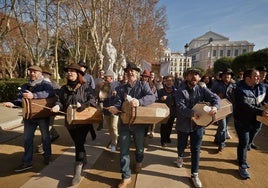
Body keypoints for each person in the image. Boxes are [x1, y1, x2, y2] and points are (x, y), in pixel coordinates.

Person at [107, 62, 155, 188]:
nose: (130, 72)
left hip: (139, 124)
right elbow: (118, 104)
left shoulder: (143, 85)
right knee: (123, 151)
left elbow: (152, 97)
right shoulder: (120, 88)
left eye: (133, 70)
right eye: (128, 71)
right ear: (126, 74)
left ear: (137, 73)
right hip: (124, 123)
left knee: (139, 148)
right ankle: (126, 176)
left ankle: (139, 161)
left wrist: (139, 101)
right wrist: (115, 108)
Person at [51, 63, 97, 185]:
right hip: (69, 121)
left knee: (79, 143)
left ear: (78, 74)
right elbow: (60, 101)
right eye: (68, 71)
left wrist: (84, 105)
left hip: (83, 121)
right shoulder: (63, 88)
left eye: (72, 71)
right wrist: (57, 106)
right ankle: (83, 157)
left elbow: (92, 100)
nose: (69, 73)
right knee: (78, 142)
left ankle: (77, 171)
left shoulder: (85, 86)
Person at [3, 65, 54, 172]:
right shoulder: (25, 86)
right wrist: (12, 103)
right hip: (28, 116)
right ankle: (27, 162)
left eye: (34, 72)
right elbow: (19, 99)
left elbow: (49, 93)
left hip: (42, 116)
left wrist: (34, 95)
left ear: (40, 73)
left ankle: (47, 156)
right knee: (27, 139)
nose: (32, 73)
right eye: (30, 71)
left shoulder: (46, 84)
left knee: (45, 137)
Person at [174, 68, 220, 188]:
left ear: (200, 78)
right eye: (191, 74)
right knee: (181, 145)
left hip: (198, 125)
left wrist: (215, 107)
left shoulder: (202, 89)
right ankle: (180, 156)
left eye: (197, 75)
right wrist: (192, 113)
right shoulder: (180, 90)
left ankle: (195, 174)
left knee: (196, 149)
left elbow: (216, 98)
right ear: (186, 77)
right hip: (183, 124)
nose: (194, 77)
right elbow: (180, 107)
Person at [233, 68, 268, 179]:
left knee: (248, 142)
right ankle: (242, 165)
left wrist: (265, 105)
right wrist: (261, 111)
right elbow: (246, 106)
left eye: (260, 76)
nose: (260, 78)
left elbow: (261, 100)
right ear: (248, 78)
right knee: (244, 142)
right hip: (242, 121)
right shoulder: (239, 89)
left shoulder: (260, 87)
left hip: (256, 121)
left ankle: (241, 158)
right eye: (256, 76)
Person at [36, 68, 61, 154]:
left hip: (51, 109)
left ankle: (43, 146)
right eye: (43, 73)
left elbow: (59, 95)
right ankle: (55, 134)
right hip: (40, 109)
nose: (44, 75)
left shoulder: (54, 84)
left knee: (47, 127)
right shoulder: (38, 83)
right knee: (45, 126)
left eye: (46, 74)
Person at [211, 68, 236, 152]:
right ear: (222, 77)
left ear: (231, 77)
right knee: (223, 126)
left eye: (228, 76)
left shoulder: (234, 85)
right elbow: (211, 94)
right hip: (220, 108)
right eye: (225, 76)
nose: (227, 77)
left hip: (230, 108)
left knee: (223, 126)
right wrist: (217, 96)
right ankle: (222, 143)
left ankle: (216, 139)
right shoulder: (216, 84)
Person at [247, 66, 268, 150]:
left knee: (257, 127)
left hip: (262, 109)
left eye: (265, 73)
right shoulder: (252, 83)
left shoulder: (266, 85)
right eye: (262, 73)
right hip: (251, 109)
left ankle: (250, 141)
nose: (264, 75)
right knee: (248, 127)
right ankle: (247, 143)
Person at [102, 70, 121, 152]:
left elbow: (122, 95)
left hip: (114, 109)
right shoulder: (104, 85)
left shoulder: (118, 85)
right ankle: (113, 140)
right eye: (104, 77)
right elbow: (102, 96)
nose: (105, 78)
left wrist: (117, 93)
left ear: (111, 78)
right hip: (106, 110)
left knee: (113, 126)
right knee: (109, 128)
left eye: (106, 77)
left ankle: (114, 144)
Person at [78, 60, 97, 139]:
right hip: (79, 99)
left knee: (87, 118)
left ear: (85, 68)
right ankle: (83, 137)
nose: (81, 68)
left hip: (87, 99)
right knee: (81, 119)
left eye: (82, 67)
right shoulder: (77, 75)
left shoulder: (89, 77)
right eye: (80, 67)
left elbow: (92, 88)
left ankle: (92, 133)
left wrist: (91, 99)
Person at [157, 75, 177, 147]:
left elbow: (178, 100)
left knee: (170, 126)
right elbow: (157, 100)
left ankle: (167, 137)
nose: (169, 82)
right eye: (167, 80)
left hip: (172, 111)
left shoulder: (176, 91)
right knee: (163, 126)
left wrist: (170, 98)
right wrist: (161, 99)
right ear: (165, 82)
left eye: (170, 80)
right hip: (163, 111)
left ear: (173, 82)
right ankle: (163, 140)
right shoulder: (161, 91)